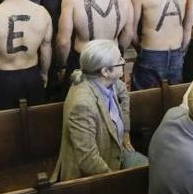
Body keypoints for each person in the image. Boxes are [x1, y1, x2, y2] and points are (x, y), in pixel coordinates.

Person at [52, 39, 146, 181]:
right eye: (119, 59)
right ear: (105, 71)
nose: (123, 61)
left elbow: (124, 94)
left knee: (153, 170)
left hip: (115, 152)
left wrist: (126, 131)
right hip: (91, 176)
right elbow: (88, 161)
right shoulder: (83, 105)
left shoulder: (108, 82)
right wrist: (117, 181)